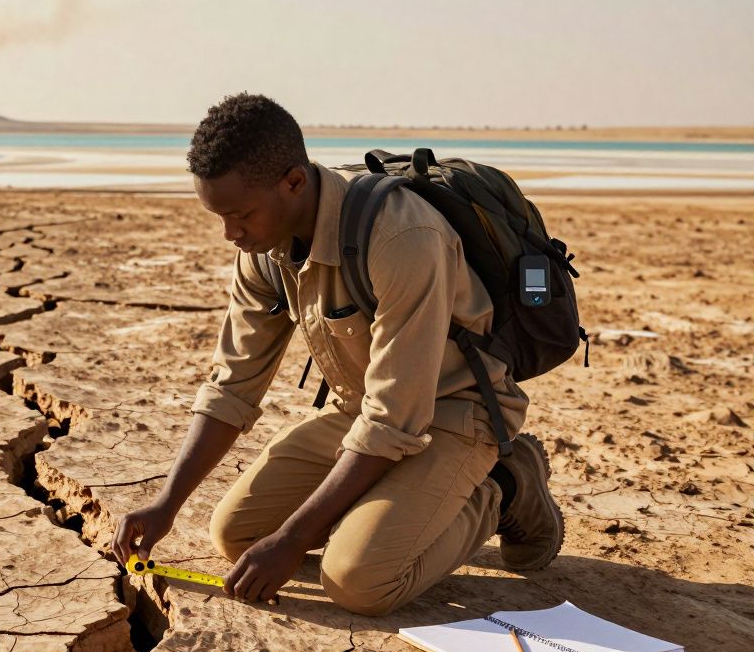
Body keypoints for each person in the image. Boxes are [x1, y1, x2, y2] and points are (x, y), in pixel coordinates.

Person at [110, 93, 563, 616]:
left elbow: (395, 418)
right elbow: (232, 386)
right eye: (219, 217)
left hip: (456, 413)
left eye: (241, 215)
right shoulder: (262, 248)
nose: (230, 234)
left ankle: (505, 486)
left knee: (359, 582)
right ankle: (387, 508)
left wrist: (294, 538)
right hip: (362, 411)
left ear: (294, 182)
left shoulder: (403, 236)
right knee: (236, 536)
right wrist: (166, 504)